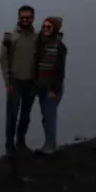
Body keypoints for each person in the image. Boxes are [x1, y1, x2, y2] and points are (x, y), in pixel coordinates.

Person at [0, 4, 38, 155]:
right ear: (18, 18)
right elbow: (3, 61)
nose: (25, 20)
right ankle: (9, 145)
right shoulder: (10, 37)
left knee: (26, 115)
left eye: (28, 17)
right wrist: (7, 82)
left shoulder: (37, 37)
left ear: (33, 18)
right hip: (15, 82)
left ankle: (21, 142)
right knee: (12, 115)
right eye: (22, 17)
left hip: (31, 82)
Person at [33, 16, 67, 155]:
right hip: (40, 86)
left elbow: (60, 71)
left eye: (49, 27)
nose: (45, 29)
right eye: (44, 26)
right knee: (45, 116)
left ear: (55, 29)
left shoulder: (60, 47)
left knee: (49, 115)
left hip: (52, 87)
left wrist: (54, 89)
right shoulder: (39, 43)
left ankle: (51, 145)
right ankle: (48, 143)